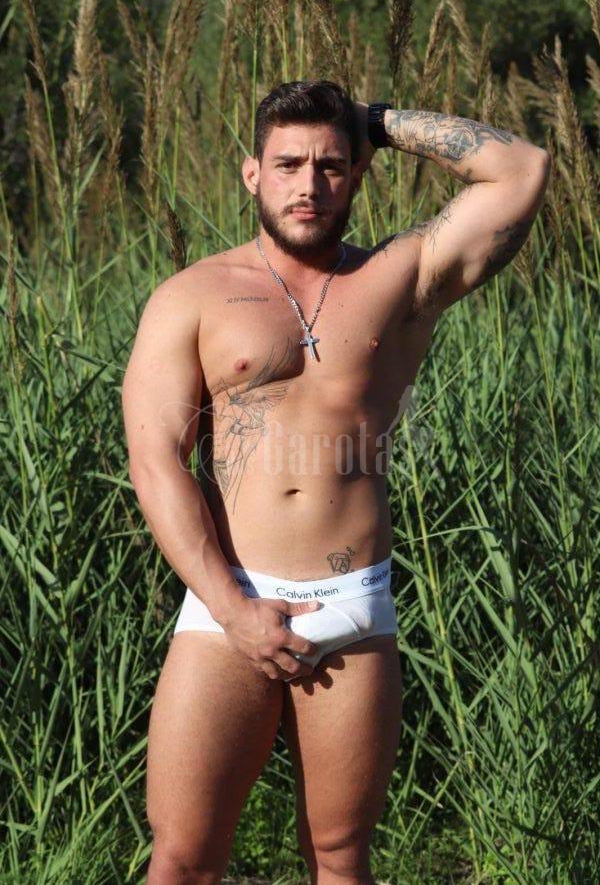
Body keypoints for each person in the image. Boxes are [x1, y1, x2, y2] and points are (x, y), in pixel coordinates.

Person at [121, 79, 550, 884]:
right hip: (228, 601)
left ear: (357, 173)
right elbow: (157, 465)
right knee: (182, 858)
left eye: (329, 165)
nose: (308, 185)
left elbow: (522, 167)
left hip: (352, 602)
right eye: (288, 165)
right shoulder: (191, 296)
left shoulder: (399, 278)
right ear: (253, 173)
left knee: (341, 858)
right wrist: (233, 609)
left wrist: (375, 122)